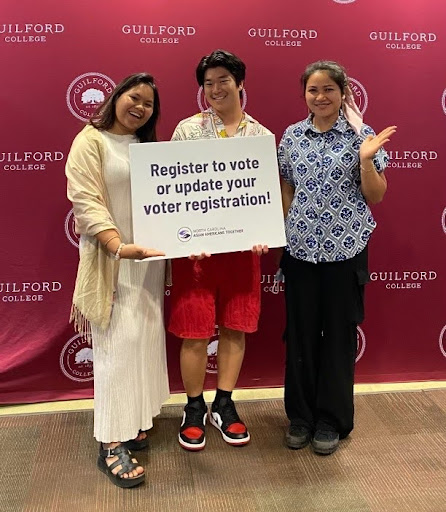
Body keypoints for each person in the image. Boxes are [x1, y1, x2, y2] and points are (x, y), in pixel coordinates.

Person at [278, 61, 396, 455]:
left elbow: (376, 195)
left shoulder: (363, 136)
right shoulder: (292, 136)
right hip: (299, 251)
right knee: (300, 335)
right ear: (304, 95)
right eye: (313, 90)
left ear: (343, 92)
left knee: (338, 338)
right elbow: (286, 191)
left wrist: (365, 158)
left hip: (345, 253)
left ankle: (331, 420)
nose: (321, 97)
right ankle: (300, 417)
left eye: (329, 89)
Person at [65, 73, 169, 487]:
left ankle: (134, 421)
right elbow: (85, 200)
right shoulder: (90, 140)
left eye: (148, 104)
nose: (139, 107)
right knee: (115, 351)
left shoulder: (146, 148)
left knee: (141, 343)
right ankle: (110, 442)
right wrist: (118, 246)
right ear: (117, 96)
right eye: (134, 96)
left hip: (148, 263)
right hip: (114, 263)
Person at [169, 49, 270, 451]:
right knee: (194, 332)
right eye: (207, 83)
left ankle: (224, 404)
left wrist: (264, 230)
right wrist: (183, 237)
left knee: (235, 327)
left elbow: (263, 197)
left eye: (222, 81)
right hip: (197, 253)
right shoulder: (187, 130)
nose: (214, 89)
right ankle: (193, 407)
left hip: (243, 253)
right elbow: (172, 190)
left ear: (240, 83)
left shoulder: (261, 136)